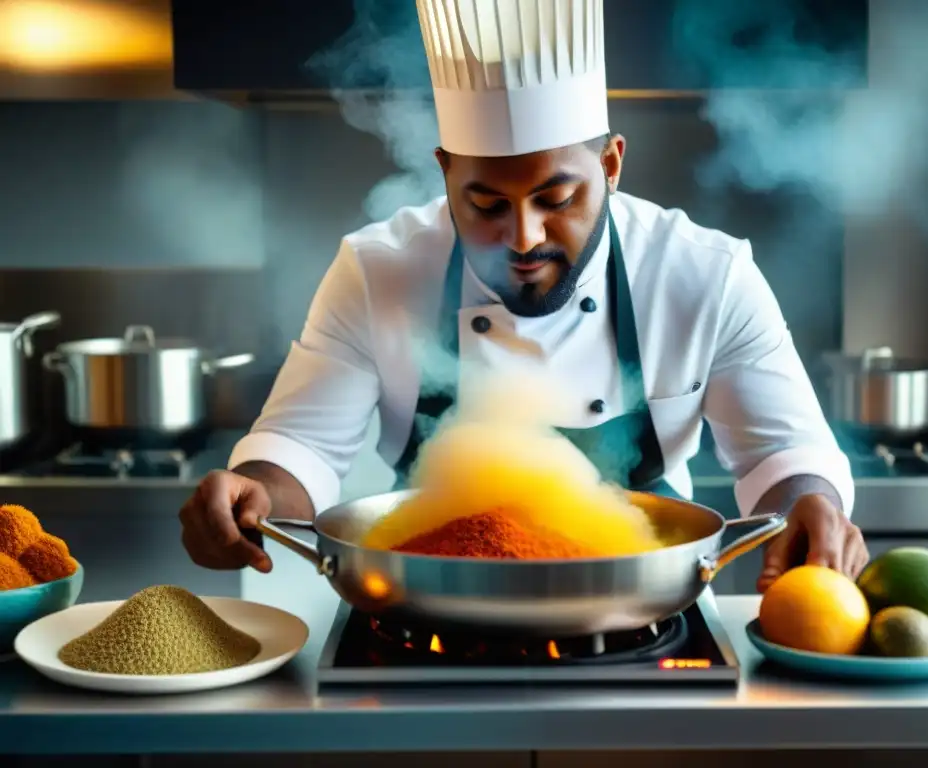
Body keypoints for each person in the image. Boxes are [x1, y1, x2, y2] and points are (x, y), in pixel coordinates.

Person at [178, 0, 867, 594]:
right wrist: (255, 493)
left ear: (611, 165)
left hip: (647, 601)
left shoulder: (703, 275)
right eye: (485, 204)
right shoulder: (376, 269)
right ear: (445, 173)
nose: (523, 237)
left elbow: (786, 459)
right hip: (425, 598)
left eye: (557, 198)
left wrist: (813, 506)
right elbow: (300, 448)